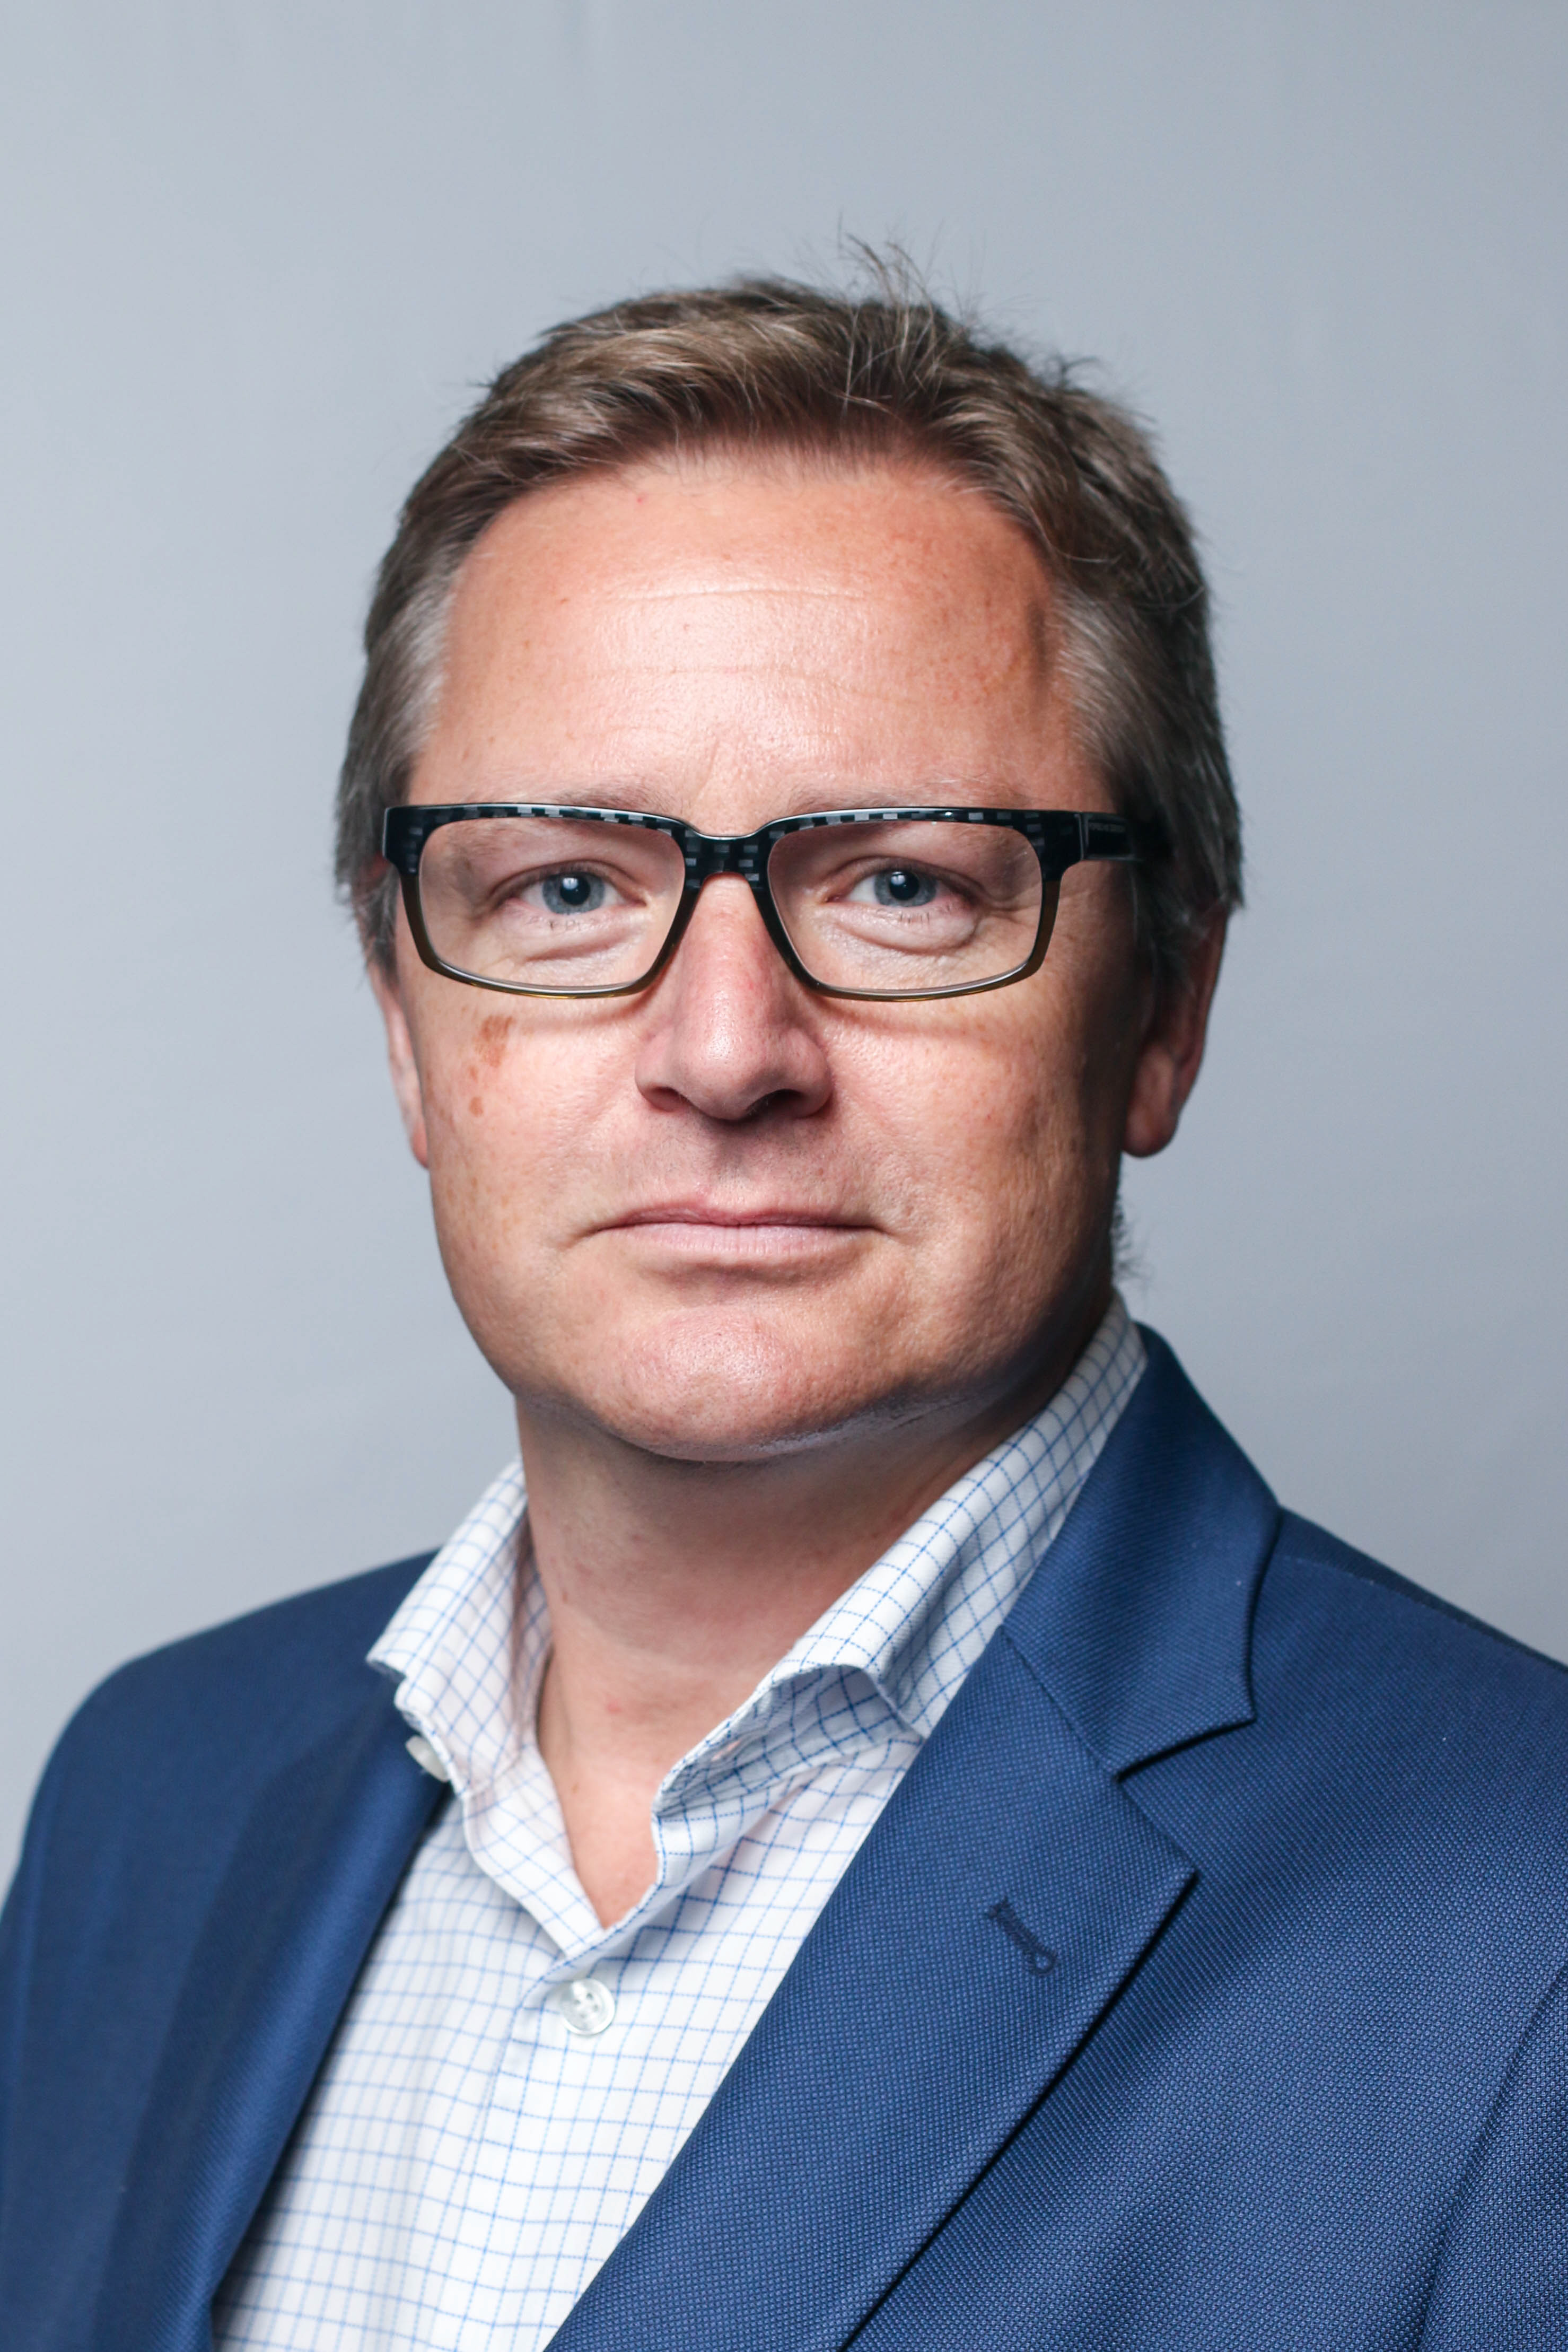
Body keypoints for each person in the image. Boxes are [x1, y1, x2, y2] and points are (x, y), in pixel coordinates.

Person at [3, 270, 1567, 2352]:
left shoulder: (1520, 1925)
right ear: (404, 1020)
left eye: (904, 883)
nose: (724, 1048)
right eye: (566, 888)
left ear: (1163, 1008)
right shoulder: (152, 1792)